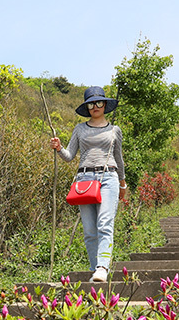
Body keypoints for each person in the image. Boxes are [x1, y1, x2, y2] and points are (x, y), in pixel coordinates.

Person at [50, 86, 127, 282]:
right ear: (87, 107)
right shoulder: (80, 129)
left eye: (99, 102)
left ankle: (102, 267)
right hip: (84, 180)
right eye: (91, 103)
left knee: (104, 224)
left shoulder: (114, 130)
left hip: (109, 177)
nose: (95, 107)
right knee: (90, 230)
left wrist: (123, 185)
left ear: (105, 104)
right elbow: (69, 156)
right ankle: (95, 269)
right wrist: (59, 148)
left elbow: (119, 159)